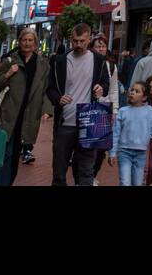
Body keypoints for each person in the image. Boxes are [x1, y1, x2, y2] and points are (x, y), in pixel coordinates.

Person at [44, 23, 109, 187]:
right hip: (65, 123)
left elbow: (105, 84)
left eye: (82, 41)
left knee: (86, 172)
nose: (78, 45)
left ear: (89, 39)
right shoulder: (60, 60)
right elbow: (50, 88)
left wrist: (101, 89)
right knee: (59, 173)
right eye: (74, 41)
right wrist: (58, 98)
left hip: (89, 123)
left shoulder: (99, 60)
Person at [0, 28, 52, 186]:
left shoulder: (42, 65)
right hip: (9, 117)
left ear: (36, 44)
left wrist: (47, 110)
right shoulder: (10, 60)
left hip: (28, 118)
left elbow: (45, 91)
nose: (27, 43)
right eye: (24, 40)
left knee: (16, 158)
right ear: (19, 42)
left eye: (30, 40)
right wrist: (8, 74)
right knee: (6, 156)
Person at [111, 81, 152, 186]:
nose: (132, 92)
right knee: (125, 182)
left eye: (137, 91)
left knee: (138, 183)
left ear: (144, 97)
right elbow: (115, 134)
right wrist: (112, 153)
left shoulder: (149, 111)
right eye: (132, 90)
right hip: (124, 152)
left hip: (141, 154)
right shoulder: (122, 111)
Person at [90, 34, 120, 184]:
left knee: (101, 148)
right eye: (98, 46)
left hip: (104, 109)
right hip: (89, 108)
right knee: (88, 146)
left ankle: (93, 175)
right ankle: (85, 176)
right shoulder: (88, 63)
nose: (100, 48)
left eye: (103, 46)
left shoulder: (112, 66)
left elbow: (114, 89)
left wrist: (114, 110)